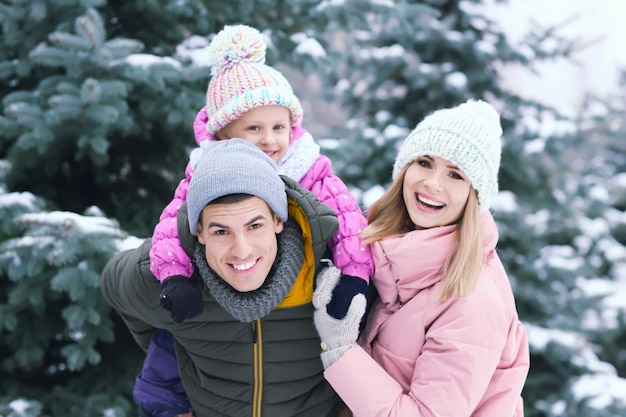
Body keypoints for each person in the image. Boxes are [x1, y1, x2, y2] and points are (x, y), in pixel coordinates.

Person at [313, 99, 531, 416]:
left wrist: (341, 350)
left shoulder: (471, 300)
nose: (432, 183)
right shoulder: (383, 248)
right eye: (425, 163)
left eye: (455, 175)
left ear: (475, 197)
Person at [101, 139, 349, 417]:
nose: (241, 250)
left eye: (254, 226)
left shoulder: (331, 271)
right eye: (221, 231)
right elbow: (112, 284)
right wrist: (165, 342)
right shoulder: (168, 276)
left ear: (278, 220)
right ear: (200, 232)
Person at [152, 24, 371, 324]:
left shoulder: (307, 167)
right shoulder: (207, 172)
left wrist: (354, 277)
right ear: (223, 133)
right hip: (231, 294)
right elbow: (172, 226)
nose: (269, 139)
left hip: (302, 298)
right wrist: (174, 277)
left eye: (278, 127)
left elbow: (348, 223)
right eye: (254, 128)